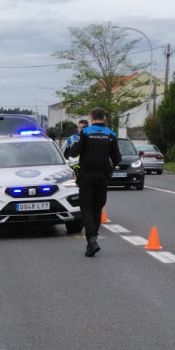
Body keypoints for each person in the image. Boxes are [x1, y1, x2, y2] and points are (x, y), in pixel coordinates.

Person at [68, 108, 121, 256]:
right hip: (102, 176)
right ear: (104, 118)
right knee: (98, 208)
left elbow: (73, 152)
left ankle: (91, 239)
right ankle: (93, 239)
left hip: (86, 176)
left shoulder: (85, 133)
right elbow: (117, 158)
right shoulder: (111, 134)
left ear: (91, 118)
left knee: (86, 207)